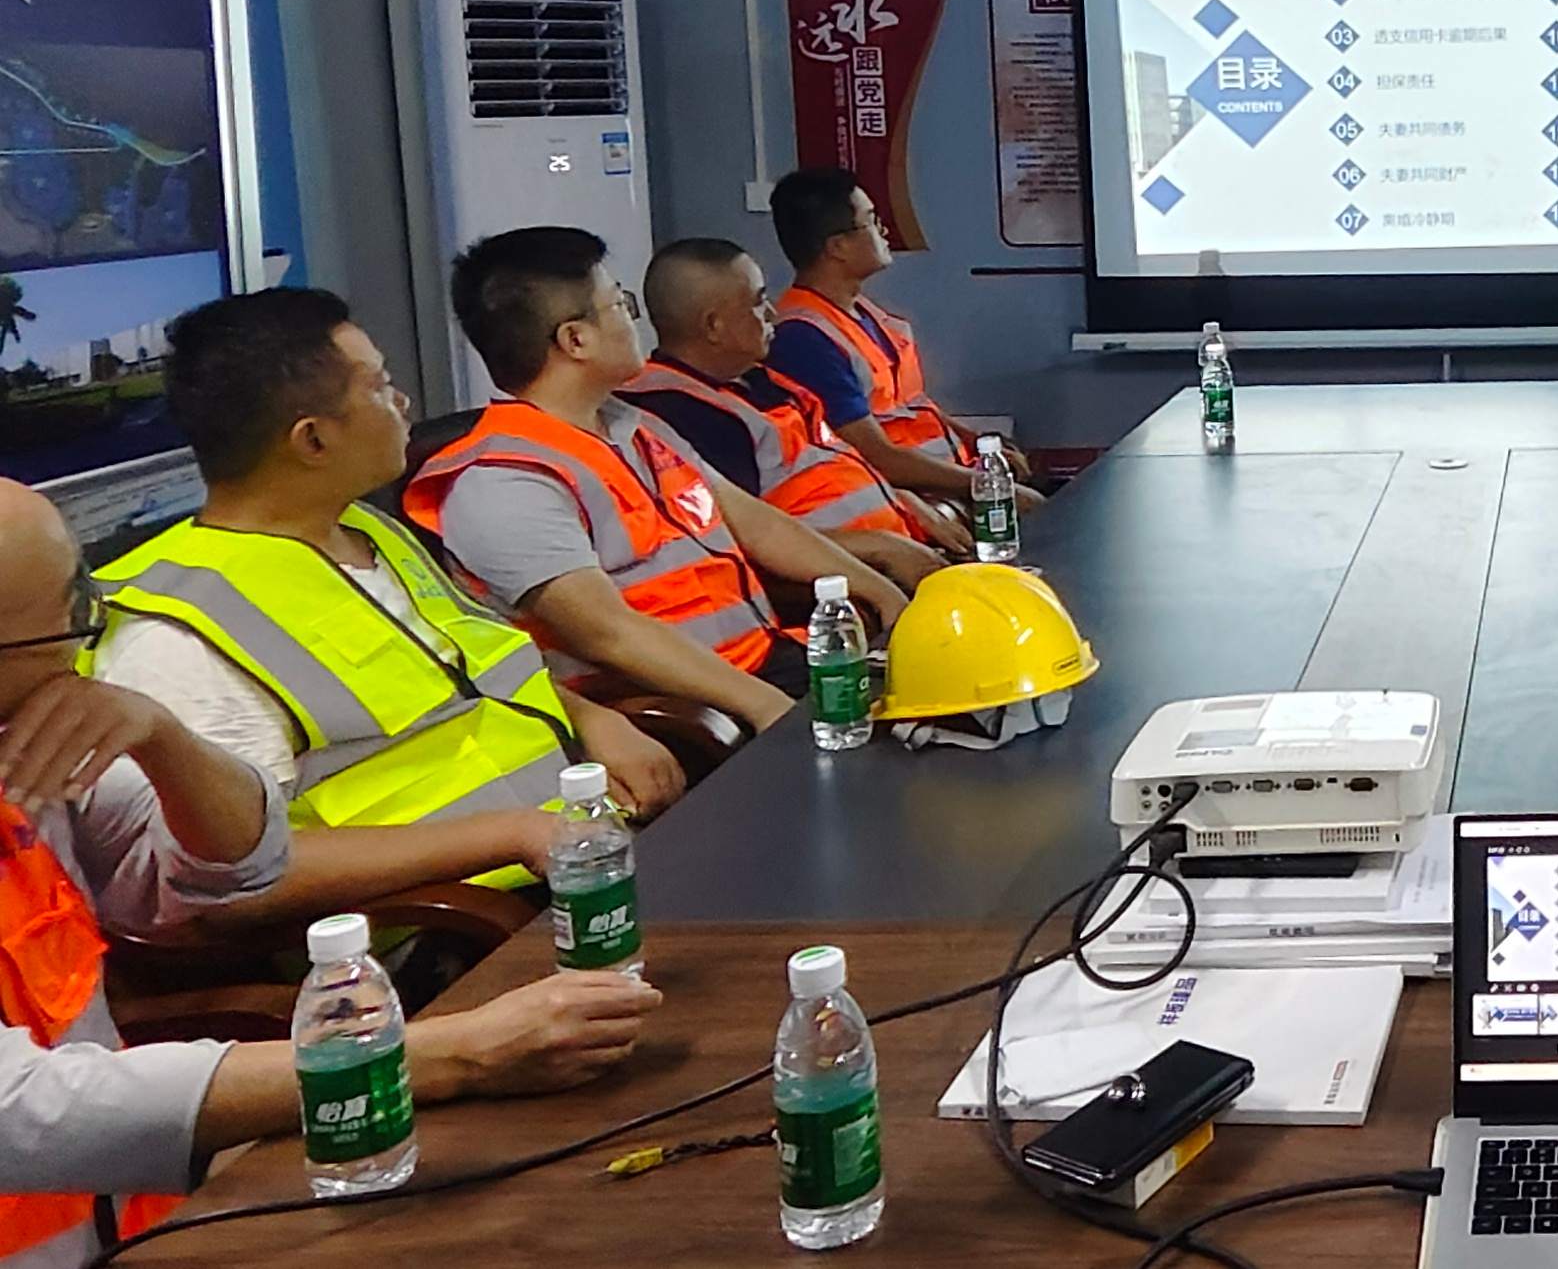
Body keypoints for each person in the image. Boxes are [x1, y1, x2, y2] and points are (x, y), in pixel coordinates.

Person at [0, 478, 660, 1266]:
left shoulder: (22, 750)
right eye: (70, 622)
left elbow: (235, 866)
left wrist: (161, 736)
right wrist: (450, 1054)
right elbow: (18, 1112)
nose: (83, 645)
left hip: (113, 1222)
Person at [90, 290, 686, 886]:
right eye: (379, 386)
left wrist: (591, 719)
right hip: (468, 917)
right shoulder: (180, 633)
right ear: (312, 440)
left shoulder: (365, 530)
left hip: (584, 847)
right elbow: (234, 876)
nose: (403, 402)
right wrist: (514, 834)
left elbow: (473, 681)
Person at [404, 227, 909, 733]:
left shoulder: (635, 427)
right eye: (619, 305)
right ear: (575, 340)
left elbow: (760, 525)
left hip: (770, 660)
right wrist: (770, 709)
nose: (634, 320)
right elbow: (608, 634)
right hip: (702, 712)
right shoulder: (505, 483)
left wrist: (884, 594)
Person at [629, 238, 965, 590]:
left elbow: (831, 469)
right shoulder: (682, 414)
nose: (772, 313)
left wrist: (902, 500)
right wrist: (882, 548)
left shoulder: (759, 379)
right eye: (757, 302)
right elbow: (748, 541)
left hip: (899, 549)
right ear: (714, 326)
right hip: (851, 584)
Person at [766, 168, 1043, 515]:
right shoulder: (804, 338)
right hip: (916, 504)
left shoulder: (864, 313)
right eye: (871, 220)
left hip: (950, 483)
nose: (884, 231)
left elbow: (914, 407)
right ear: (837, 247)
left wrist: (980, 446)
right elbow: (877, 455)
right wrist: (988, 485)